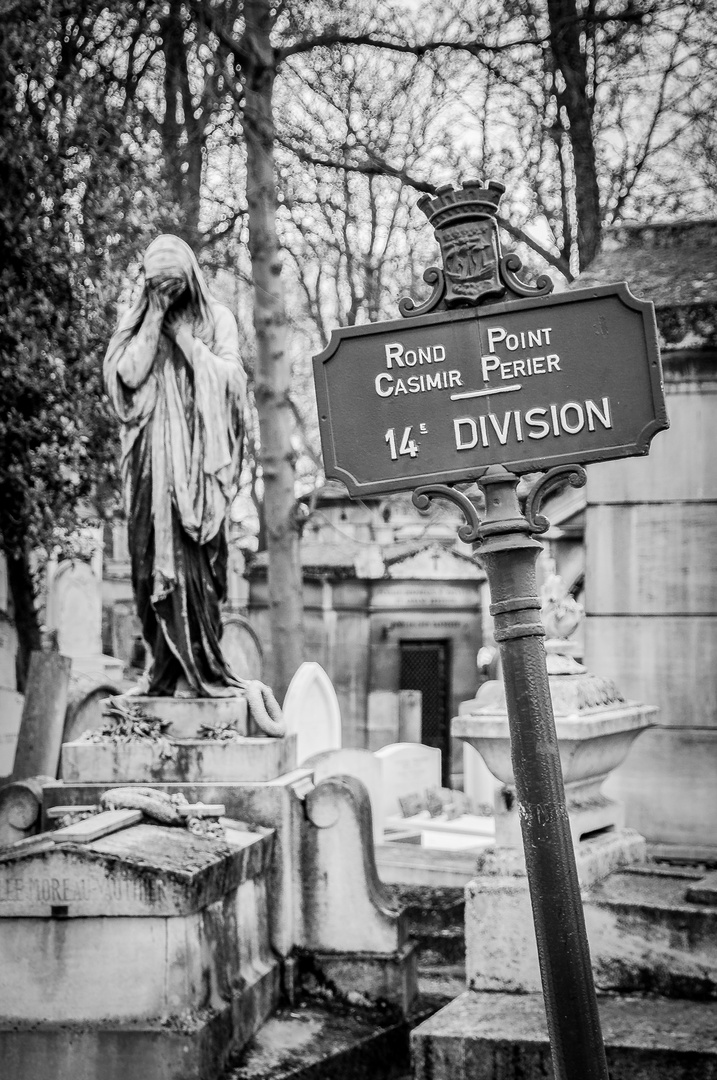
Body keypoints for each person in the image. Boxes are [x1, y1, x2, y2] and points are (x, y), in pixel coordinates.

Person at [104, 234, 247, 697]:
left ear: (190, 279)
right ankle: (160, 673)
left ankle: (201, 670)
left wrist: (187, 343)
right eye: (157, 287)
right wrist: (155, 319)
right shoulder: (137, 322)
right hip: (150, 469)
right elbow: (127, 375)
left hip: (201, 478)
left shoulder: (215, 319)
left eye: (174, 286)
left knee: (197, 574)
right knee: (146, 571)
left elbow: (233, 382)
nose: (167, 294)